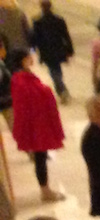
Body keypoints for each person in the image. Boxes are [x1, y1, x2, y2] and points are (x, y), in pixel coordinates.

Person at [9, 51, 64, 202]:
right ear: (23, 60)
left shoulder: (22, 76)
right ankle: (45, 191)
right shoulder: (20, 79)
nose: (31, 58)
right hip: (35, 124)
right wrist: (45, 91)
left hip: (38, 122)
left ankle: (45, 189)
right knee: (40, 157)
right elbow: (27, 99)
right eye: (28, 57)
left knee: (41, 156)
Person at [31, 0, 72, 104]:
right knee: (56, 70)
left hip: (46, 51)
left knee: (54, 71)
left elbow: (35, 39)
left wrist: (33, 49)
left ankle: (62, 90)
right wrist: (69, 49)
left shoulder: (37, 21)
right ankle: (62, 90)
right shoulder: (59, 20)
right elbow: (65, 36)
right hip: (59, 50)